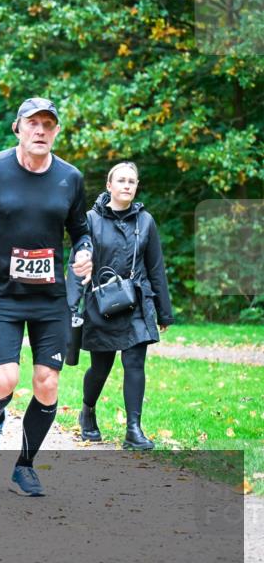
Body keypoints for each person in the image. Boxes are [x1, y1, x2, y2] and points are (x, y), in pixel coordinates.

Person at [0, 97, 93, 496]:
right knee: (5, 378)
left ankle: (24, 467)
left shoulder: (70, 178)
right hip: (1, 293)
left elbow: (81, 229)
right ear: (18, 128)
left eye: (49, 124)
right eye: (33, 123)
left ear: (56, 132)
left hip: (50, 298)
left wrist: (85, 252)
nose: (41, 131)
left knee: (47, 384)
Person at [68, 162, 174, 449]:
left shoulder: (145, 221)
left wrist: (164, 311)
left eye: (132, 181)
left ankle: (134, 429)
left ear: (136, 186)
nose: (127, 185)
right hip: (99, 304)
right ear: (109, 185)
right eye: (121, 180)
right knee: (100, 368)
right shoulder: (89, 220)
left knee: (135, 362)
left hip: (137, 302)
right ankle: (87, 411)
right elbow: (77, 264)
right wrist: (71, 305)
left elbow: (156, 268)